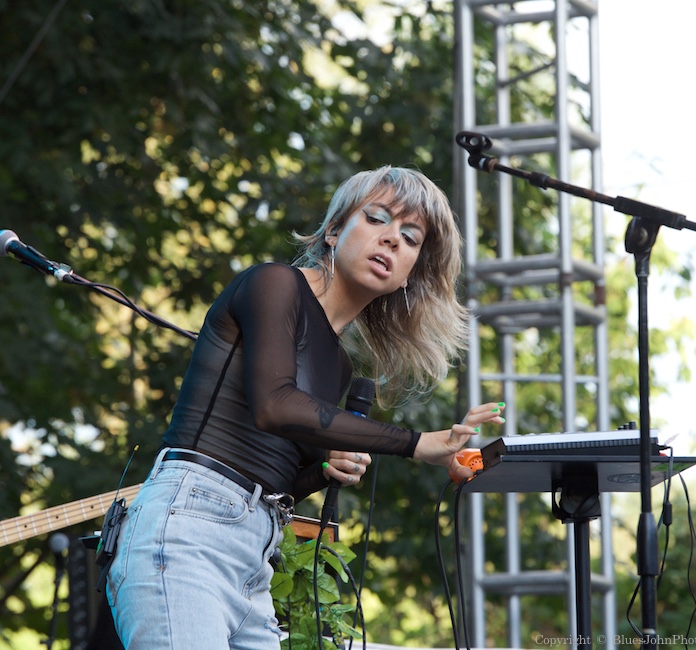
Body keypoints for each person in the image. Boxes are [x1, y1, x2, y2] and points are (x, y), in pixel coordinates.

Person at [105, 166, 506, 649]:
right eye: (377, 218)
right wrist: (418, 443)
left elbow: (277, 477)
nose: (392, 240)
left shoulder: (336, 363)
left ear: (410, 275)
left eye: (410, 237)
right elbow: (274, 407)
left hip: (254, 553)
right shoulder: (275, 285)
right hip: (189, 527)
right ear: (334, 231)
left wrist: (324, 469)